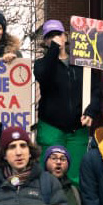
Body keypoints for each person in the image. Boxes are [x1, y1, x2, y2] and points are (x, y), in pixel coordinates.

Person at [34, 19, 98, 183]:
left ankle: (73, 200)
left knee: (75, 176)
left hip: (77, 129)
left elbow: (96, 90)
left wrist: (90, 111)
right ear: (45, 41)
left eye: (58, 34)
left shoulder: (82, 64)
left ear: (65, 37)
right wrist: (54, 49)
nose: (55, 38)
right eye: (50, 36)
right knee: (49, 176)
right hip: (51, 128)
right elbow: (44, 76)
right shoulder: (41, 64)